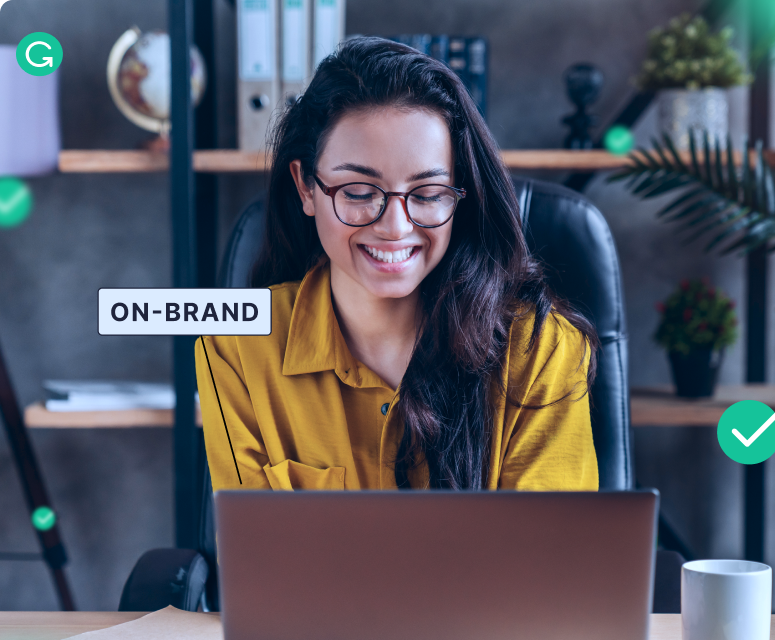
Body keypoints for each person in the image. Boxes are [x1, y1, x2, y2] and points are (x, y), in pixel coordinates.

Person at [195, 36, 599, 492]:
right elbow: (255, 553)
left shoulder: (539, 349)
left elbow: (549, 558)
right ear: (306, 187)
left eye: (427, 195)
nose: (394, 226)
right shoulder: (234, 348)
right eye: (359, 192)